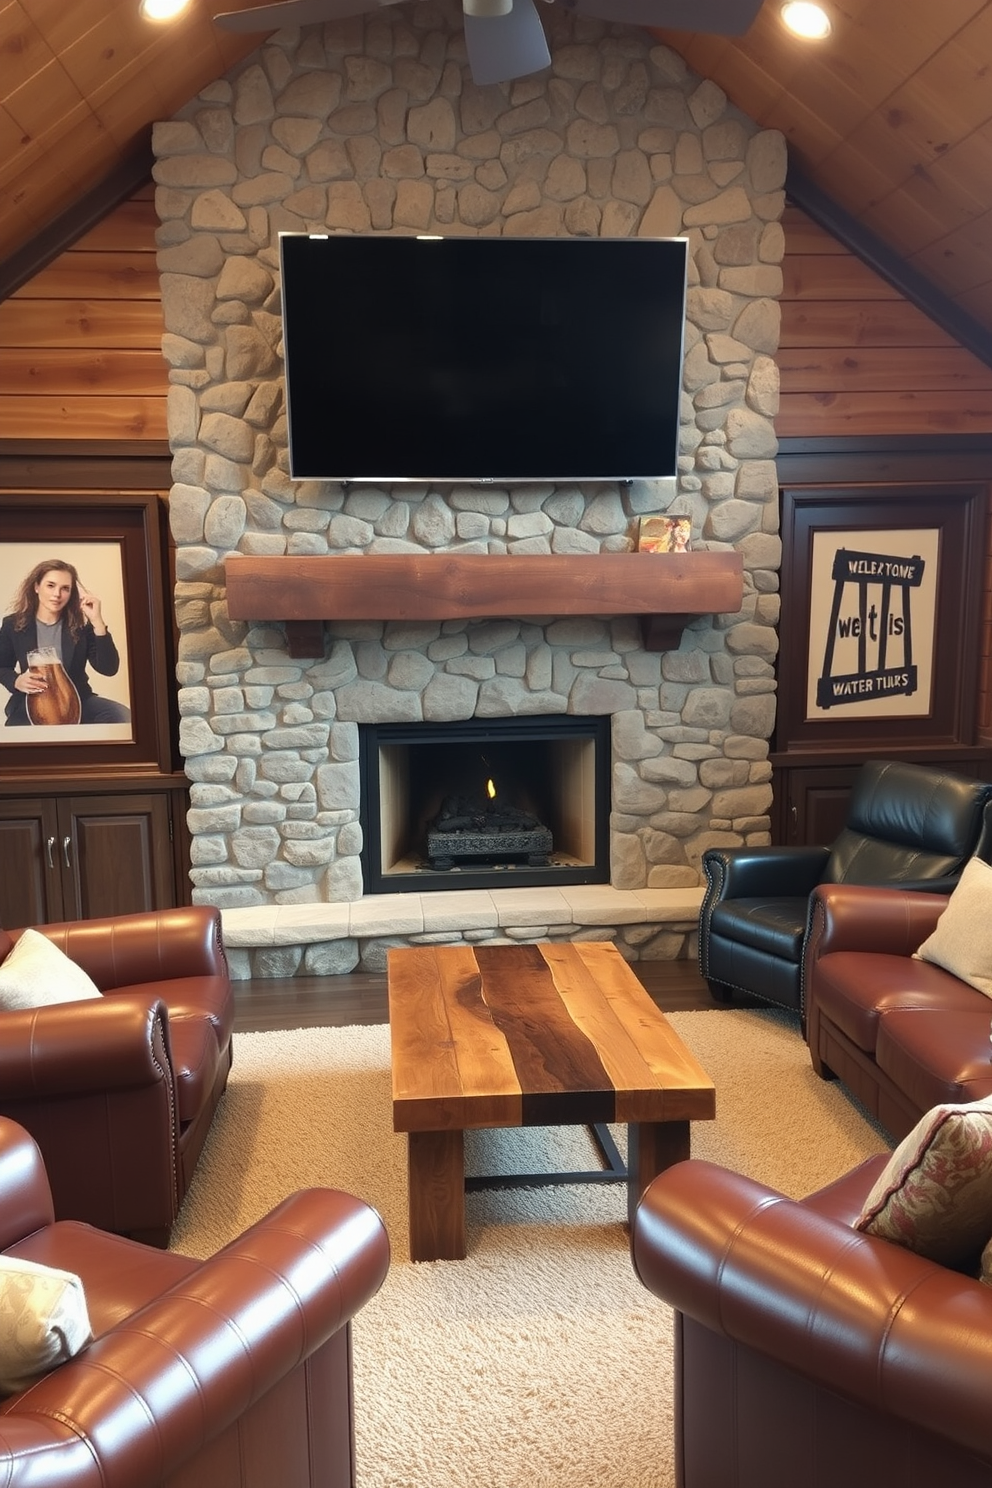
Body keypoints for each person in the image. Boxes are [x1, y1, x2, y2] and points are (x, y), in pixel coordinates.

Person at [0, 558, 131, 727]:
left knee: (121, 716)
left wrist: (97, 621)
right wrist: (16, 681)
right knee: (18, 739)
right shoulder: (13, 624)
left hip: (77, 699)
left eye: (65, 588)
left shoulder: (81, 625)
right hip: (31, 700)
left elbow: (108, 668)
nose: (57, 594)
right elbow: (2, 666)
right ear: (36, 587)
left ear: (71, 593)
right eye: (51, 585)